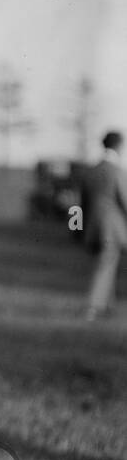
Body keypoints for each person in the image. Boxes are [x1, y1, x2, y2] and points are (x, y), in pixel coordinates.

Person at [84, 130, 127, 320]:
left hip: (92, 228)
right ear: (119, 146)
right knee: (106, 266)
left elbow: (77, 206)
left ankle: (107, 307)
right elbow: (125, 201)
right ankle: (92, 308)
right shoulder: (117, 172)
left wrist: (75, 230)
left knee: (107, 265)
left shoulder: (90, 172)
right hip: (112, 229)